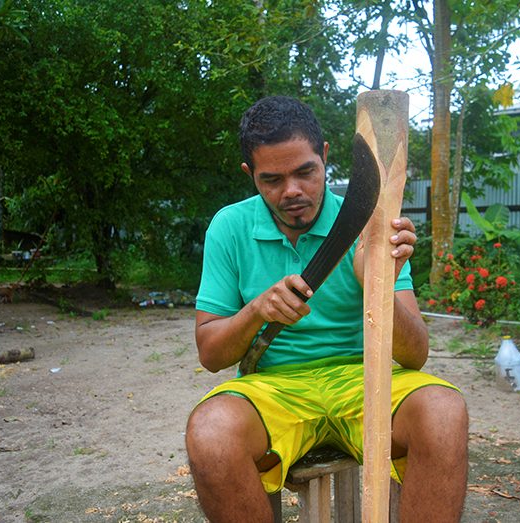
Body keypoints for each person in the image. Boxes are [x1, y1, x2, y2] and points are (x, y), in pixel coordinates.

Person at [186, 95, 468, 522]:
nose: (292, 191)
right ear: (250, 175)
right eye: (272, 180)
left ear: (325, 158)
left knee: (444, 414)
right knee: (210, 434)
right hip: (274, 388)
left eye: (305, 172)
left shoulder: (372, 222)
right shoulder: (230, 227)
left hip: (366, 378)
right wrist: (257, 311)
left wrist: (375, 285)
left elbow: (415, 354)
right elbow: (210, 355)